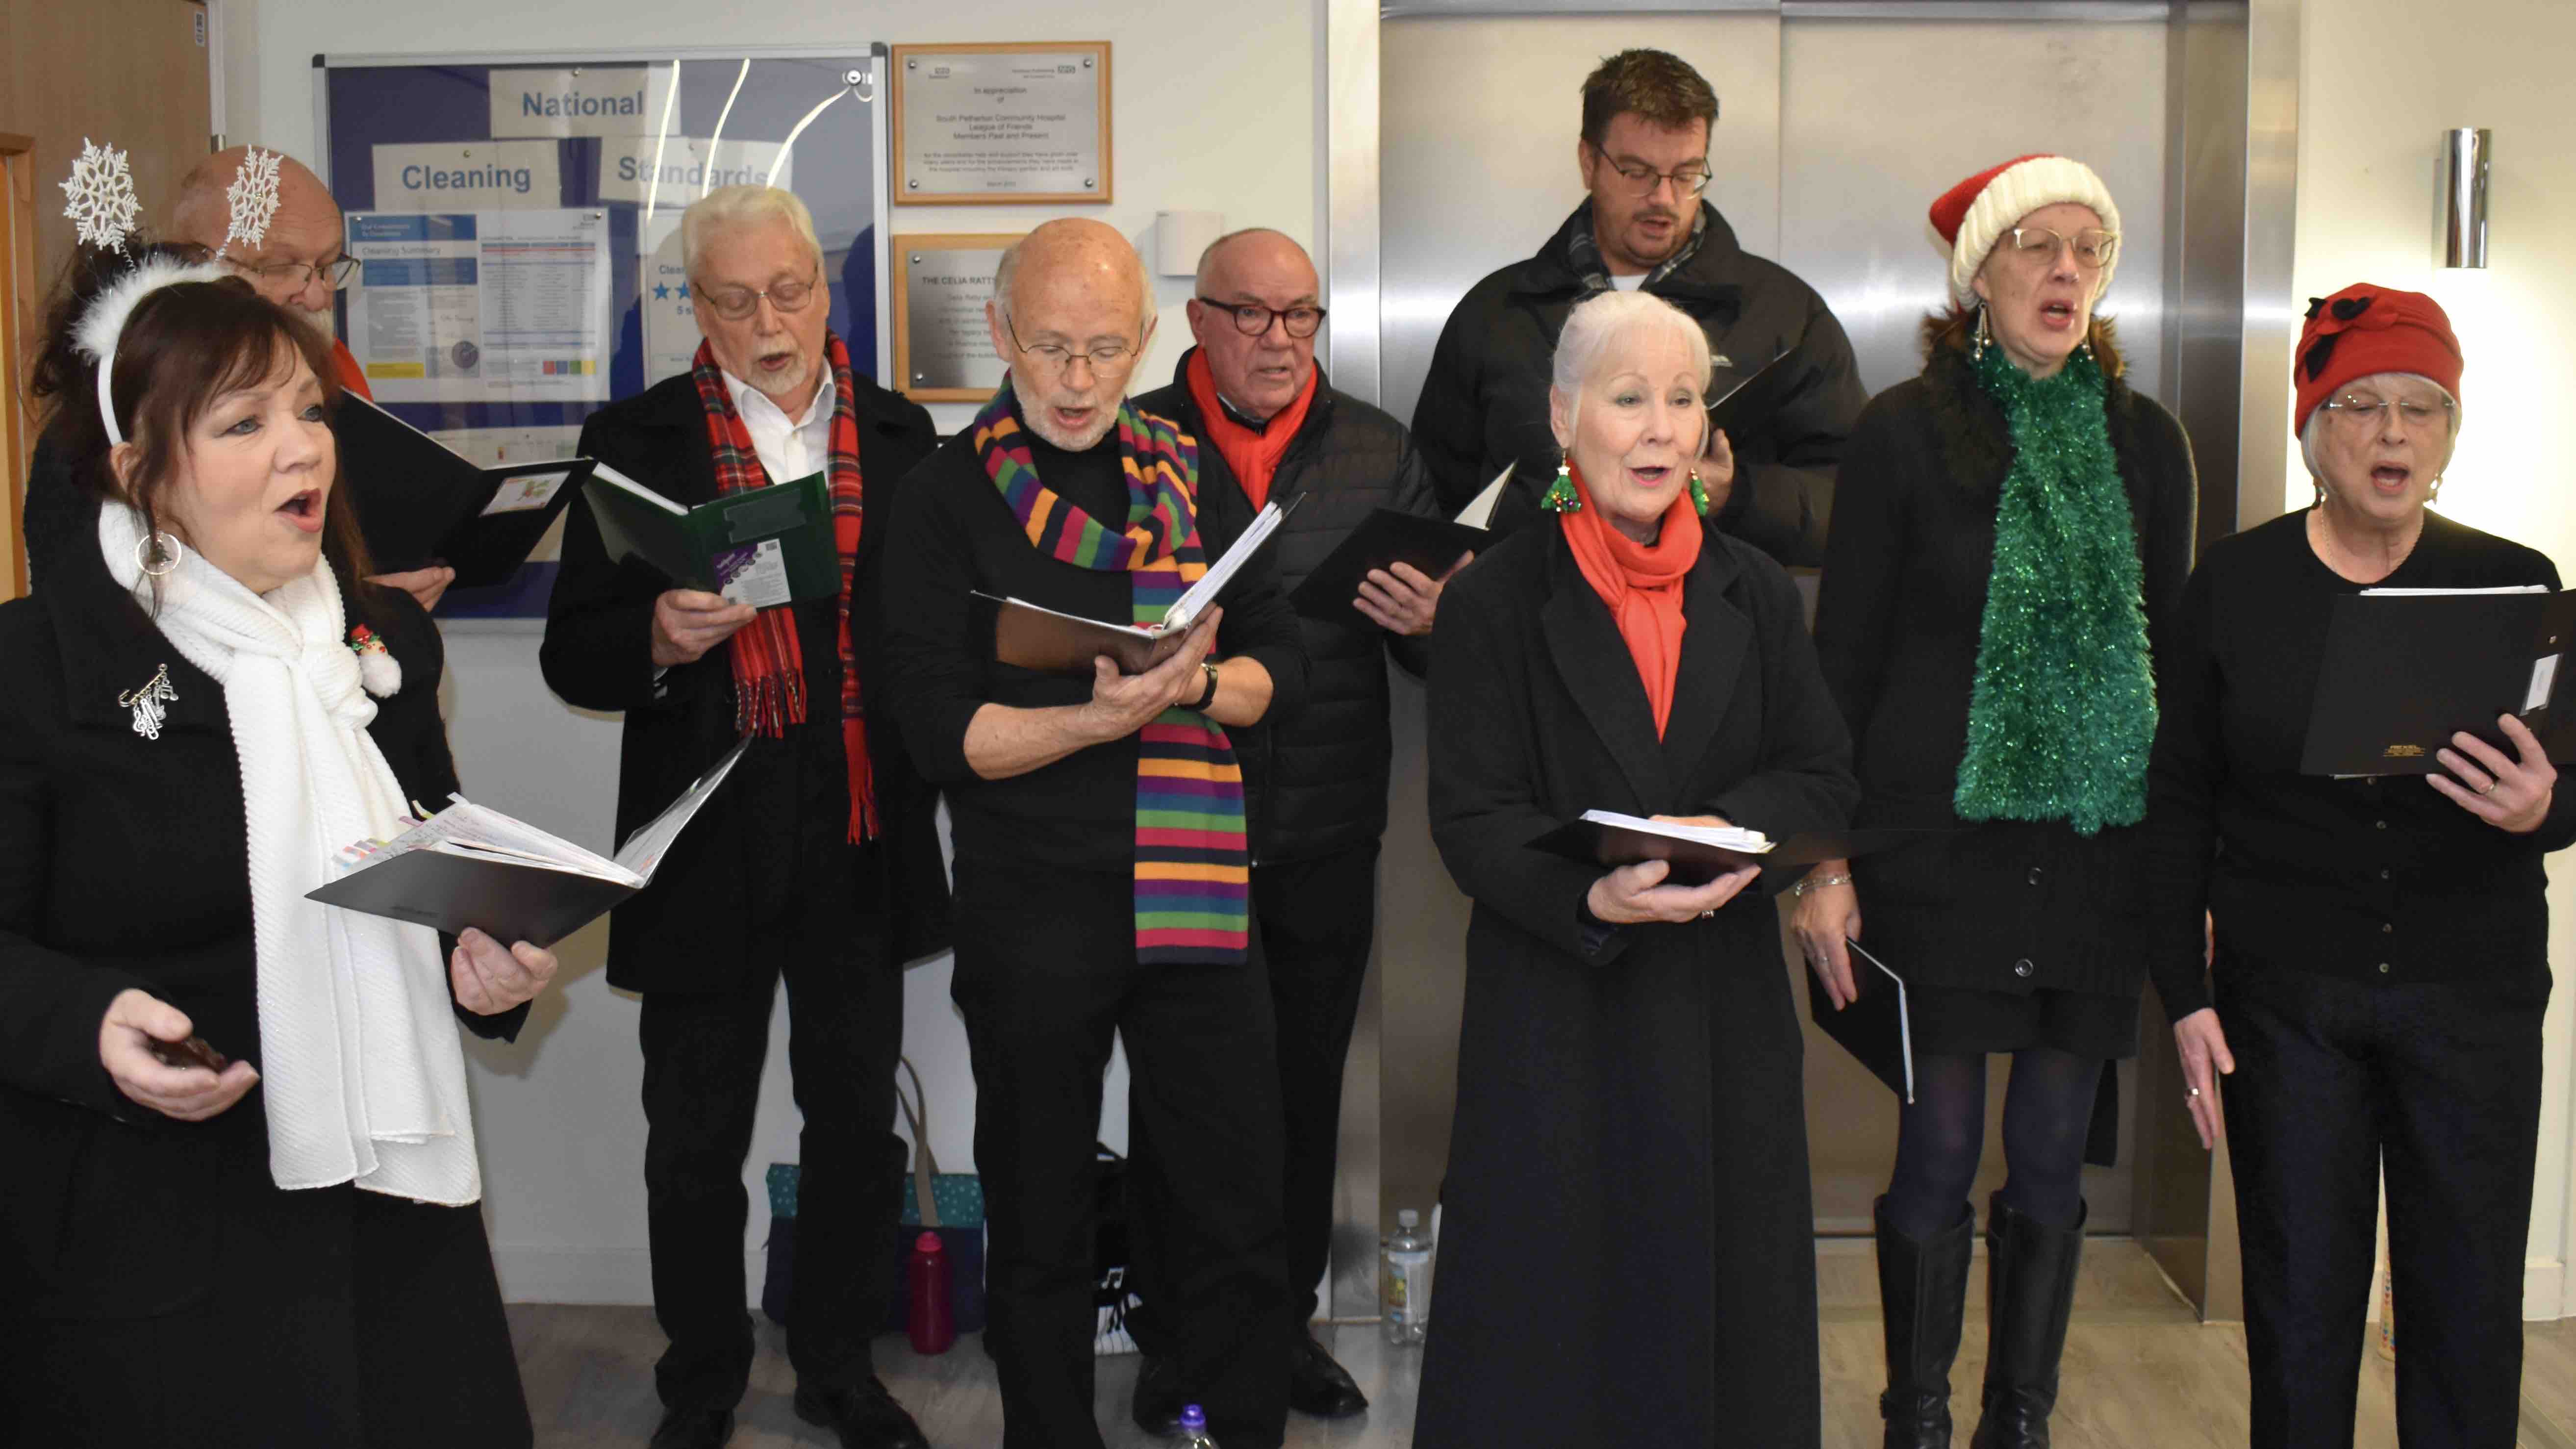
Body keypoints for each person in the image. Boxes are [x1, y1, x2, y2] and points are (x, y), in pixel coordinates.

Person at [0, 252, 558, 1446]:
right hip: (154, 1236)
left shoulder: (377, 643)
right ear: (141, 471)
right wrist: (86, 1019)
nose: (304, 447)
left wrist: (483, 967)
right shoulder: (36, 674)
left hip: (390, 1215)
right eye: (246, 421)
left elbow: (432, 874)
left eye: (309, 410)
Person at [878, 217, 1310, 1449]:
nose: (1077, 381)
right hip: (1034, 904)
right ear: (1001, 333)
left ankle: (1232, 1425)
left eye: (1106, 349)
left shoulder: (1186, 466)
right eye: (1052, 347)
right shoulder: (942, 500)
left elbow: (1284, 663)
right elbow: (937, 737)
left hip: (1196, 888)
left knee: (1233, 1201)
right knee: (1040, 1212)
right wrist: (1090, 716)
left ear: (1146, 342)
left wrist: (1192, 691)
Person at [1793, 154, 2194, 1449]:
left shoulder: (2147, 443)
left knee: (2044, 1156)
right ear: (1977, 278)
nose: (2064, 270)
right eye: (2035, 245)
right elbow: (1839, 659)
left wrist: (2179, 884)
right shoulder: (1902, 433)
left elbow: (2168, 666)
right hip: (1933, 849)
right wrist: (1822, 857)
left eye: (2086, 247)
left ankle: (2016, 1420)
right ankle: (1914, 1416)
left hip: (2088, 851)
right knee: (1933, 1147)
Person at [539, 185, 947, 1449]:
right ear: (692, 306)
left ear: (824, 288)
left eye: (790, 291)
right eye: (734, 299)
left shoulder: (898, 429)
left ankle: (838, 1366)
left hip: (856, 810)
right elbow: (573, 654)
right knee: (693, 1136)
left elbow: (930, 624)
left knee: (850, 1125)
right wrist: (656, 636)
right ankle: (702, 1379)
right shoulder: (634, 436)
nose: (768, 322)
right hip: (705, 817)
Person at [1415, 288, 1858, 1447]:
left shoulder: (1754, 591)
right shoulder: (1495, 601)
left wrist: (1712, 829)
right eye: (1628, 400)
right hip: (1556, 1010)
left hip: (1719, 1013)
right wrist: (1589, 891)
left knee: (1716, 1316)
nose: (1661, 429)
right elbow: (1468, 818)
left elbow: (1818, 778)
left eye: (1682, 400)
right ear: (1564, 417)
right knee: (1549, 1316)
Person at [2145, 285, 2572, 1448]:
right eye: (2361, 406)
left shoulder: (2514, 579)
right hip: (2288, 1004)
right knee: (2296, 1305)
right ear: (2311, 429)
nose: (2391, 434)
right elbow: (2175, 799)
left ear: (2448, 436)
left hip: (2469, 998)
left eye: (2421, 410)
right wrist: (2182, 995)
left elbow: (2566, 782)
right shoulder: (2233, 587)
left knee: (2467, 1307)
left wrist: (2542, 805)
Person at [1122, 227, 1449, 1432]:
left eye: (1299, 316)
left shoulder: (1375, 445)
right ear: (1196, 320)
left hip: (1321, 828)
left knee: (1305, 1093)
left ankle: (1281, 1326)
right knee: (1177, 1100)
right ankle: (1172, 1338)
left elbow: (1428, 640)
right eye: (1250, 316)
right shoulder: (1137, 438)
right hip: (1170, 828)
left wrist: (1429, 617)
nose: (1277, 340)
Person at [1410, 47, 1865, 563]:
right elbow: (1432, 499)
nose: (1665, 199)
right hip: (1529, 631)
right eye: (1637, 173)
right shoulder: (1497, 313)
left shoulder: (1785, 314)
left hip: (1714, 631)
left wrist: (1737, 497)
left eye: (1686, 175)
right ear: (1588, 162)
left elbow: (1852, 501)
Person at [24, 147, 453, 612]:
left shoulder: (337, 380)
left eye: (328, 266)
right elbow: (83, 622)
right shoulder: (97, 429)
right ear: (197, 264)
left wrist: (366, 616)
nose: (316, 294)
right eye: (279, 266)